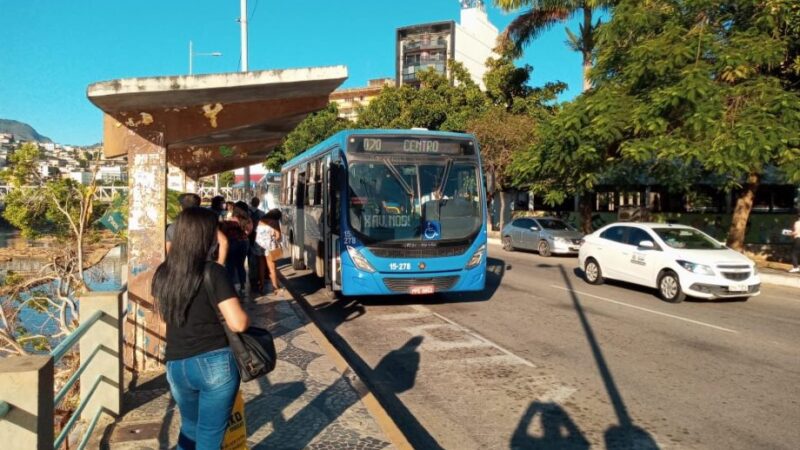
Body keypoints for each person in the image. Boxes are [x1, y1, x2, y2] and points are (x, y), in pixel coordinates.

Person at [151, 207, 250, 450]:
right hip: (214, 362)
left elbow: (165, 321)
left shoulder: (163, 273)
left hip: (176, 365)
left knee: (190, 428)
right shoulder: (213, 272)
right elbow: (238, 323)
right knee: (209, 436)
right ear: (204, 235)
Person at [220, 207, 251, 297]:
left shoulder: (230, 221)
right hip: (244, 242)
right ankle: (243, 287)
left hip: (232, 242)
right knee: (241, 265)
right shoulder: (246, 220)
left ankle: (231, 288)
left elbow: (223, 232)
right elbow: (249, 231)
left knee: (230, 265)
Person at [256, 209, 283, 295]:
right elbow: (278, 236)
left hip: (259, 245)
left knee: (261, 267)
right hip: (269, 246)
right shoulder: (274, 222)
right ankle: (275, 288)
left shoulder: (260, 220)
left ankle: (261, 286)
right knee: (272, 268)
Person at [248, 198, 267, 294]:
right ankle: (259, 281)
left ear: (251, 203)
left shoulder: (247, 212)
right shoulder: (262, 213)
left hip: (248, 238)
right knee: (259, 260)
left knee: (251, 261)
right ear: (258, 203)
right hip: (258, 238)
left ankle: (253, 278)